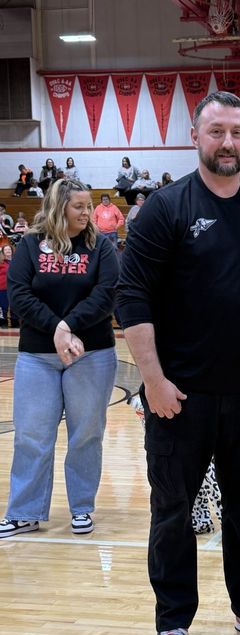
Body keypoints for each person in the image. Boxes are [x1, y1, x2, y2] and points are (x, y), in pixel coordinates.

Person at [117, 90, 240, 635]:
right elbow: (132, 298)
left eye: (237, 134)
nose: (227, 143)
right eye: (216, 131)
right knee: (172, 510)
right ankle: (172, 622)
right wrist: (153, 380)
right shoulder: (164, 209)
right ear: (197, 138)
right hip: (179, 395)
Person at [0, 178, 119, 539]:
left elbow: (106, 295)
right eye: (79, 206)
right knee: (32, 435)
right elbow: (19, 294)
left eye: (88, 206)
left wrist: (67, 324)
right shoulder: (31, 246)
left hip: (92, 353)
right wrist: (56, 328)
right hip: (37, 356)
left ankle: (81, 508)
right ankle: (25, 512)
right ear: (58, 206)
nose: (87, 213)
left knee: (86, 434)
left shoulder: (101, 248)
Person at [0, 247, 8, 325]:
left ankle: (7, 320)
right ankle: (3, 321)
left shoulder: (6, 263)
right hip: (1, 288)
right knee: (3, 306)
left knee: (6, 305)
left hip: (8, 287)